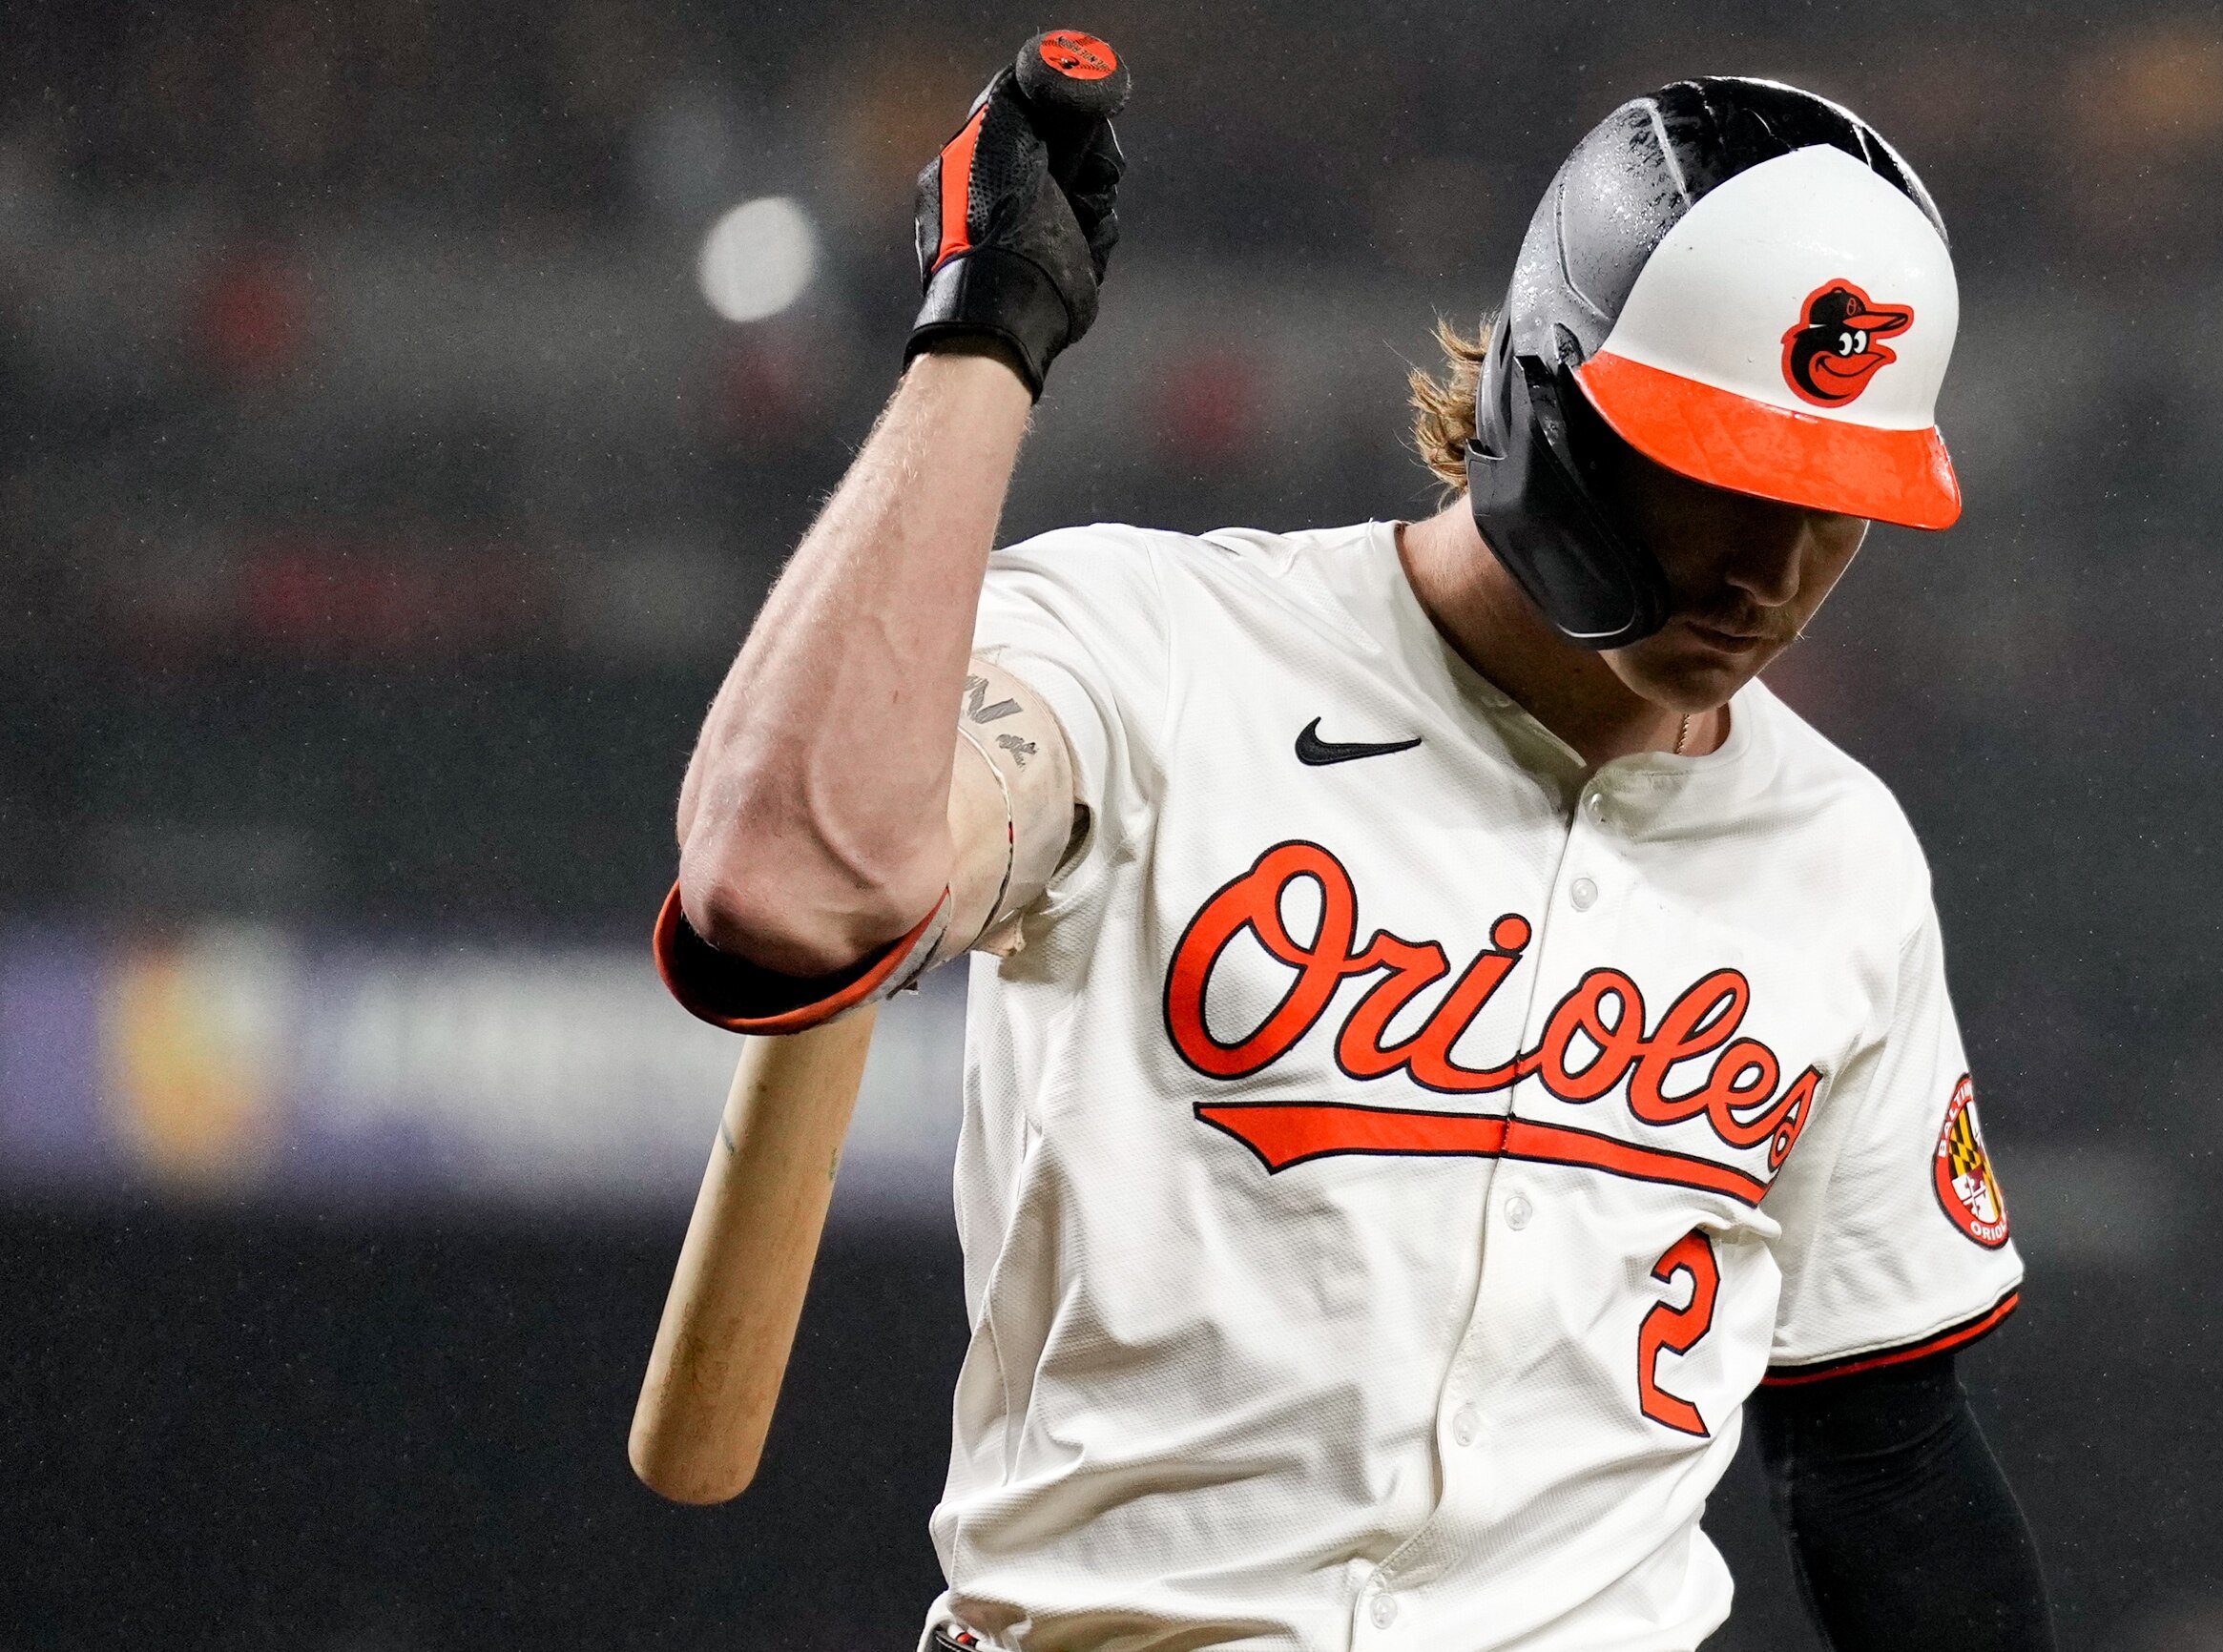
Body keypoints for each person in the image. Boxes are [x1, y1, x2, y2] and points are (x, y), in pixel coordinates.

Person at [660, 41, 2053, 1652]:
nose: (1777, 568)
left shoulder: (1840, 851)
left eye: (1837, 498)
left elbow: (1885, 1452)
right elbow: (784, 886)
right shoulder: (1160, 647)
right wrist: (980, 347)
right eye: (1722, 479)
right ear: (1547, 393)